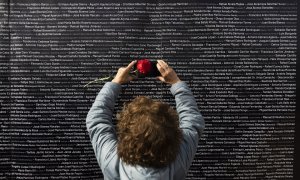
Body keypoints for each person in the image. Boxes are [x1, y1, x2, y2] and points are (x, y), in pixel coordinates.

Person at [86, 60, 205, 180]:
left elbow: (96, 119)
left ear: (124, 132)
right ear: (172, 131)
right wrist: (176, 83)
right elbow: (192, 121)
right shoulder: (179, 160)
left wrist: (115, 82)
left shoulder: (112, 161)